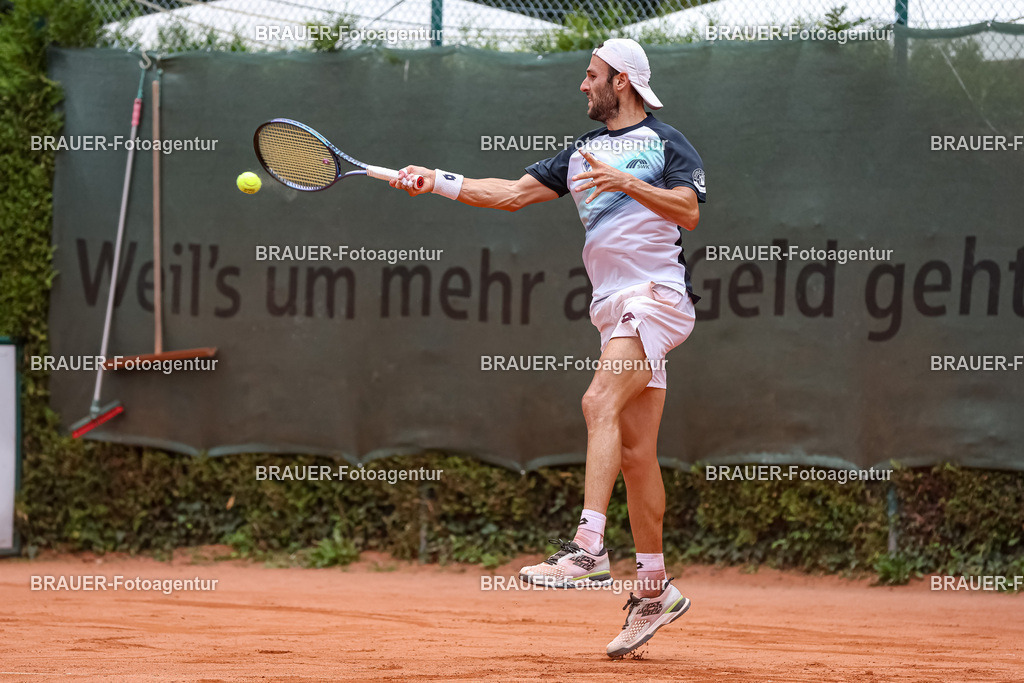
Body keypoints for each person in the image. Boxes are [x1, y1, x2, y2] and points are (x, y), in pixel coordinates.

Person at [390, 37, 706, 658]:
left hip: (658, 298)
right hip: (613, 307)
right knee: (638, 451)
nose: (581, 86)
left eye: (590, 76)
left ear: (622, 82)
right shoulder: (580, 152)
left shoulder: (668, 144)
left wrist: (623, 181)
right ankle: (654, 589)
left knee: (596, 403)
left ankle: (588, 548)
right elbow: (509, 193)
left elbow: (688, 213)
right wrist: (436, 182)